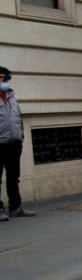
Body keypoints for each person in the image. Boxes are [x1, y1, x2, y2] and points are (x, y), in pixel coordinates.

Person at [0, 66, 33, 222]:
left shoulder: (12, 96)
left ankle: (16, 207)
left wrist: (20, 136)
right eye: (2, 78)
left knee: (13, 177)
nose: (5, 82)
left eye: (6, 79)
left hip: (14, 142)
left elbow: (18, 117)